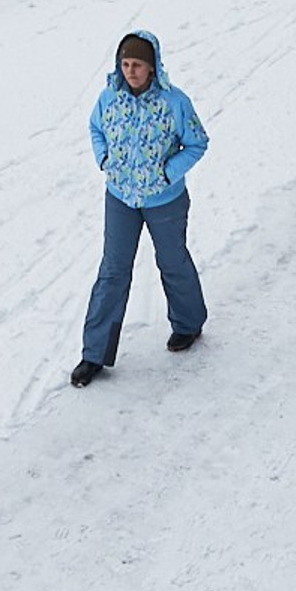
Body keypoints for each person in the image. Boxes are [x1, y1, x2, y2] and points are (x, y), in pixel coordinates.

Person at [73, 31, 209, 384]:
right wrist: (103, 158)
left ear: (152, 68)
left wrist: (168, 173)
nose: (130, 71)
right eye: (125, 64)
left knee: (172, 261)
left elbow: (197, 142)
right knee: (113, 271)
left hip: (164, 200)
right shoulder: (109, 99)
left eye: (137, 65)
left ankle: (188, 324)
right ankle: (94, 354)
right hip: (120, 198)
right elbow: (95, 128)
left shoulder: (174, 103)